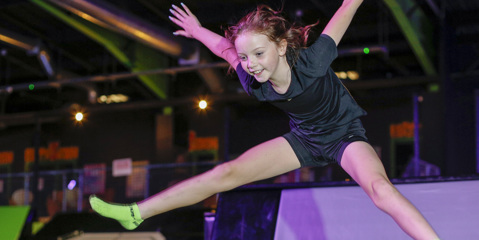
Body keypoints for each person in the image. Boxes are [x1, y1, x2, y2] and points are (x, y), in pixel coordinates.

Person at [89, 1, 440, 239]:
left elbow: (348, 5)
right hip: (304, 138)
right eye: (246, 56)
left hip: (344, 135)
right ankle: (136, 213)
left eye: (259, 53)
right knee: (225, 174)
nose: (251, 63)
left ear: (282, 47)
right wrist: (196, 30)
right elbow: (223, 49)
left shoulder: (313, 62)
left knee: (379, 190)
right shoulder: (250, 75)